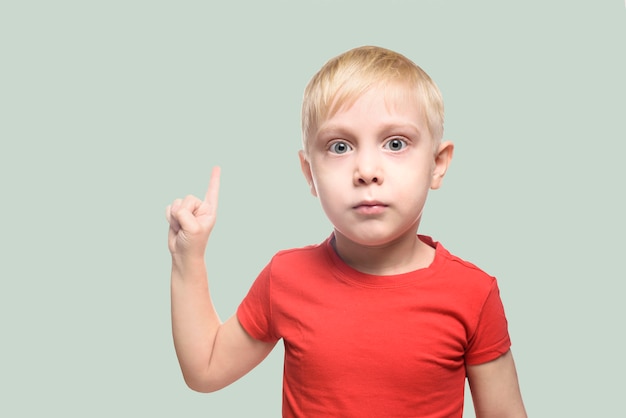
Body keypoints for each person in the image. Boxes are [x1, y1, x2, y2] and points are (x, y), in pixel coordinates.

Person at [166, 45, 527, 417]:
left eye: (395, 143)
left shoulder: (473, 294)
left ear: (437, 164)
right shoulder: (285, 278)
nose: (366, 170)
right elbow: (205, 369)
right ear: (310, 174)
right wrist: (186, 258)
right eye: (340, 146)